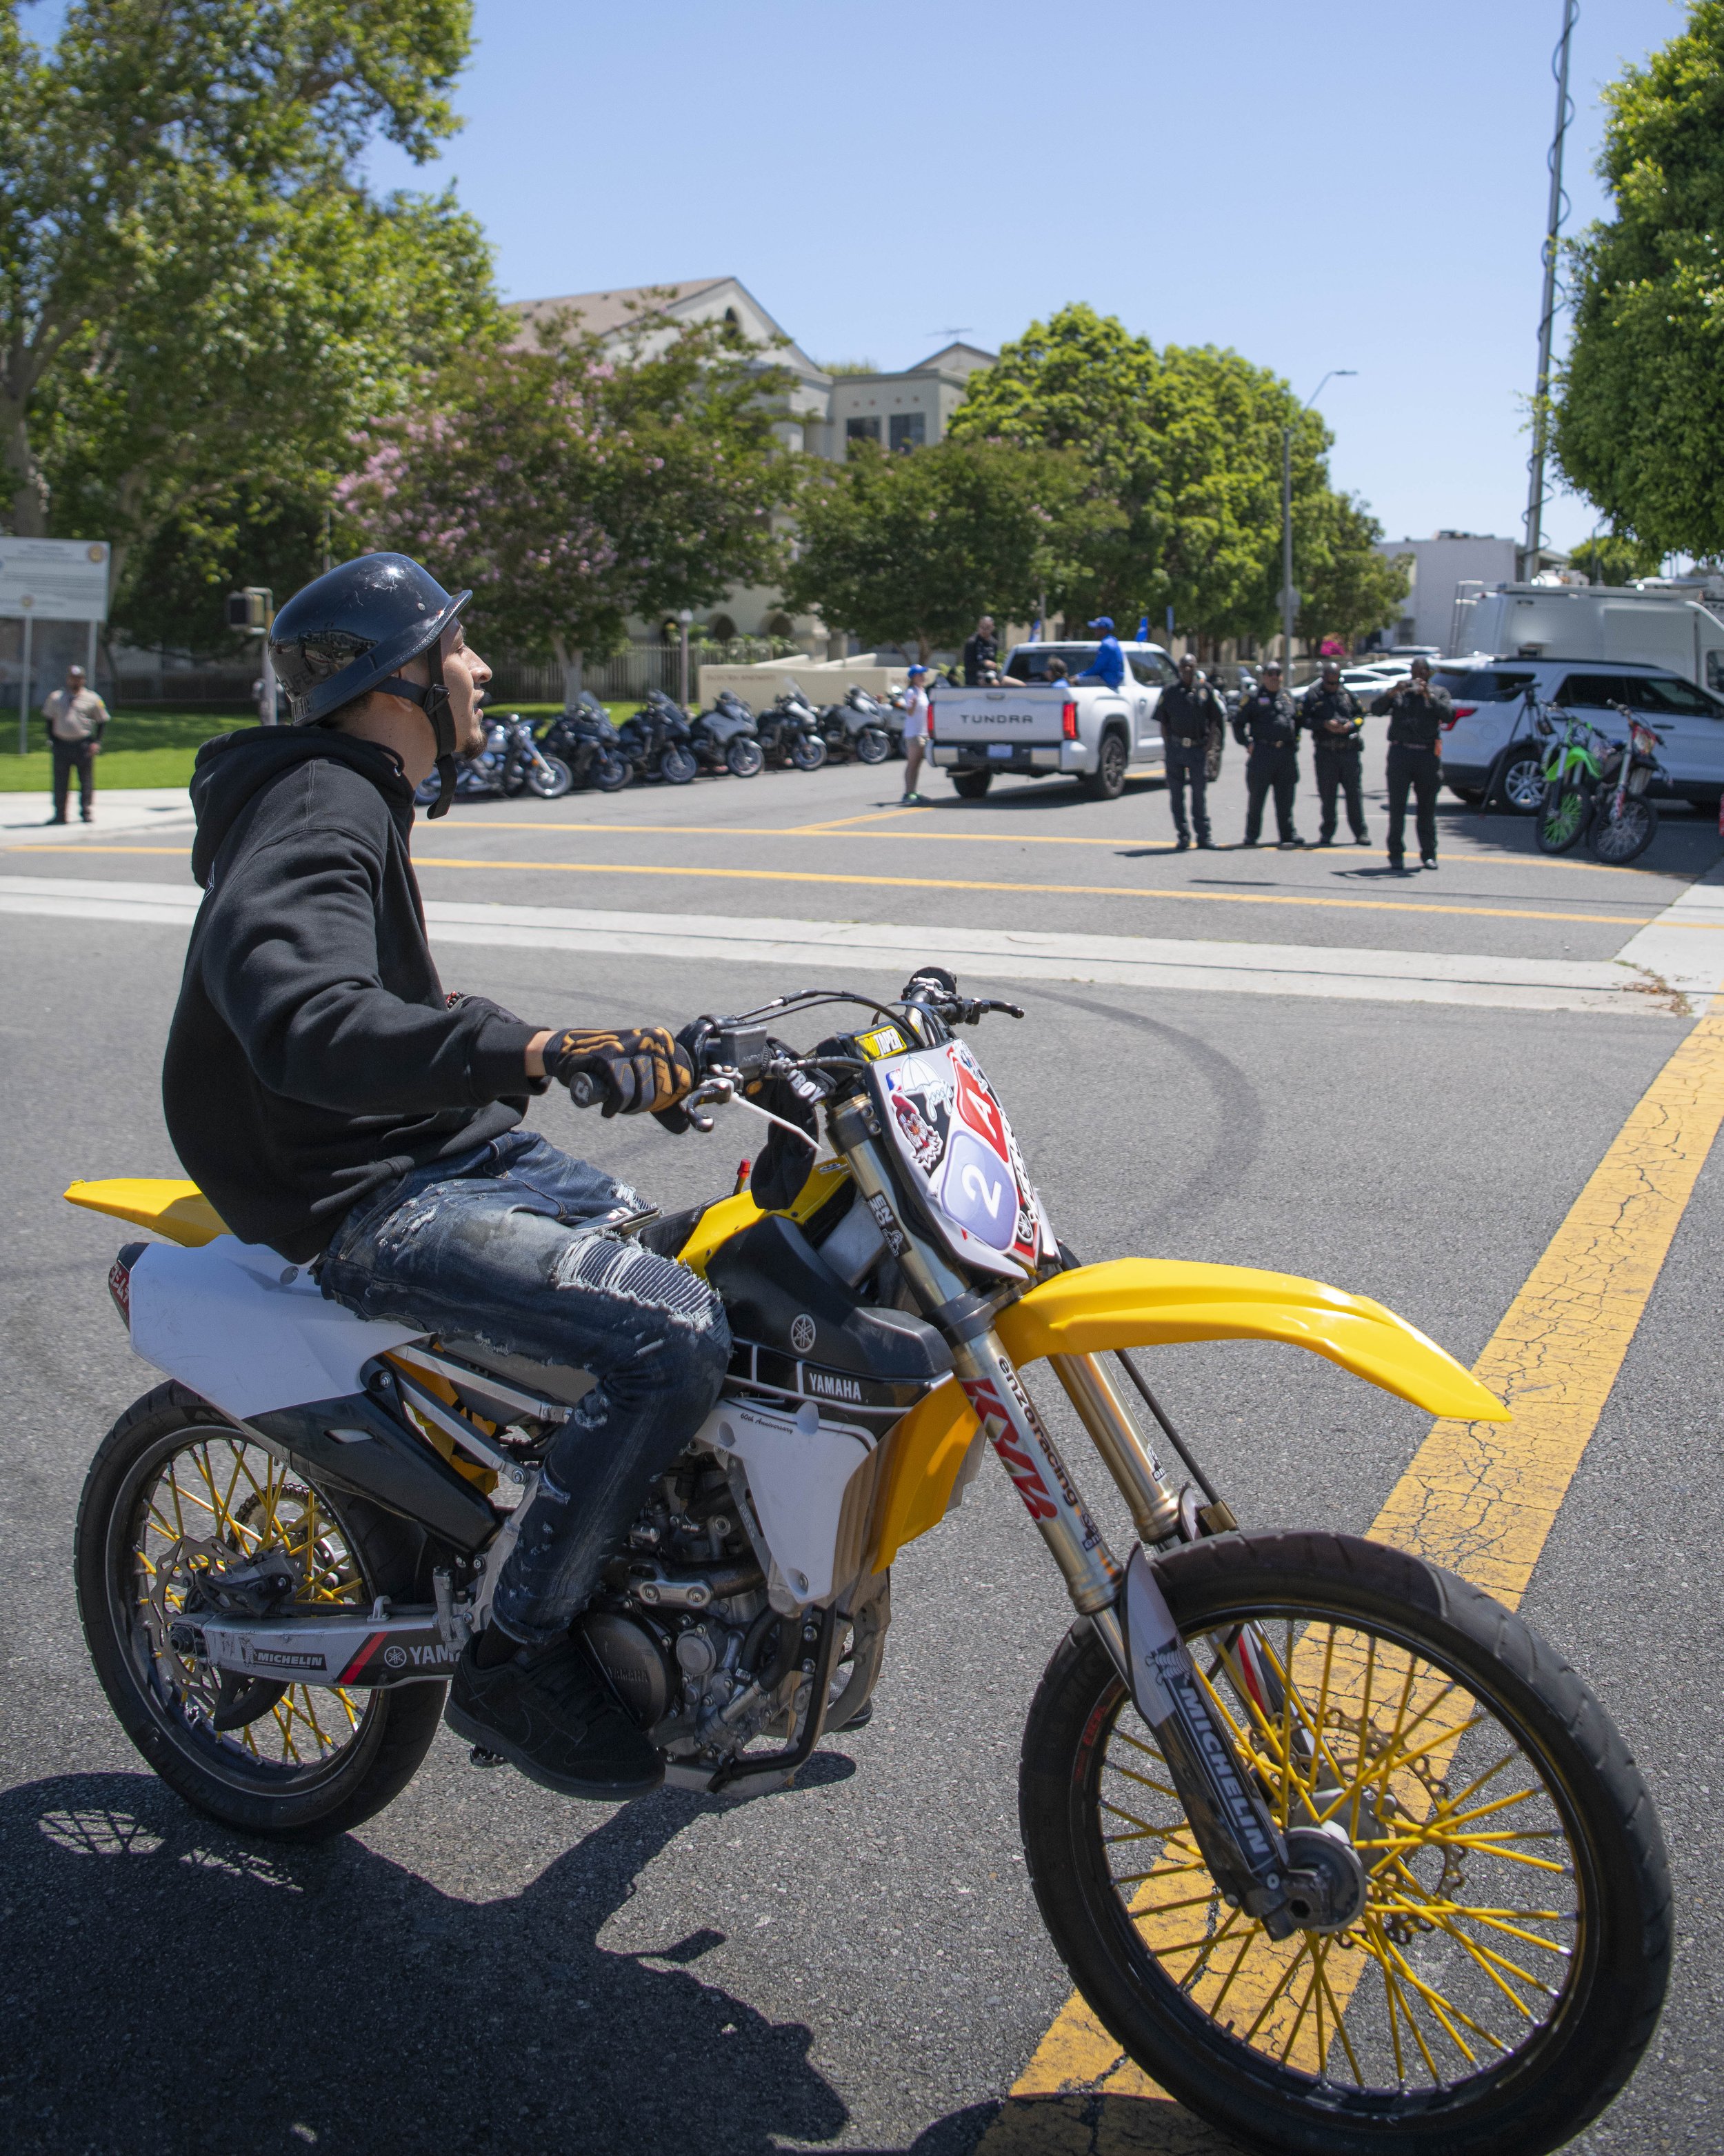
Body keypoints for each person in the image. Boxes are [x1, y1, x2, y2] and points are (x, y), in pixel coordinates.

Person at [161, 552, 738, 1804]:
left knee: (713, 1256)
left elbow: (399, 1006)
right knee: (669, 1333)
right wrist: (529, 1047)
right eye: (459, 650)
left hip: (451, 1150)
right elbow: (304, 1016)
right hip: (363, 1194)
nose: (480, 671)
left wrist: (635, 1056)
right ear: (398, 677)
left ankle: (635, 1561)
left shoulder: (360, 792)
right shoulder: (321, 798)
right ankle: (514, 1645)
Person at [1372, 658, 1452, 870]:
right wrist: (1392, 692)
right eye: (1413, 672)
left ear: (1428, 673)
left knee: (1426, 810)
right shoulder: (1401, 691)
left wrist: (1429, 696)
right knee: (1397, 809)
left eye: (1421, 673)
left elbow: (1448, 715)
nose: (1416, 677)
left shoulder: (1439, 692)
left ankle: (1428, 854)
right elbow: (1376, 709)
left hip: (1427, 757)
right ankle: (1396, 854)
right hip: (1401, 754)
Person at [1232, 659, 1303, 848]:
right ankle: (1252, 835)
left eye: (1277, 674)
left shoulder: (1288, 696)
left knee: (1286, 798)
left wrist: (1295, 742)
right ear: (1263, 677)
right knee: (1257, 798)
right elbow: (1238, 723)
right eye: (1270, 674)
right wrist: (1247, 743)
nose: (1274, 677)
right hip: (1262, 753)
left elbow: (1298, 722)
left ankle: (1288, 833)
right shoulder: (1253, 697)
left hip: (1285, 755)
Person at [1156, 653, 1223, 849]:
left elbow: (1214, 719)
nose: (1187, 670)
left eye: (1191, 666)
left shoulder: (1205, 690)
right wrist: (1168, 746)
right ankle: (1183, 835)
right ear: (1179, 668)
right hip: (1176, 749)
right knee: (1177, 796)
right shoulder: (1170, 691)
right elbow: (1163, 721)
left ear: (1196, 668)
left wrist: (1209, 744)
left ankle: (1204, 836)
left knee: (1199, 795)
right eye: (1184, 666)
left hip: (1197, 749)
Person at [1300, 658, 1370, 846]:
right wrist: (1323, 724)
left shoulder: (1347, 695)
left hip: (1348, 752)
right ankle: (1327, 832)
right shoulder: (1314, 695)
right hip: (1326, 752)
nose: (1333, 685)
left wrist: (1350, 726)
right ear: (1323, 679)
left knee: (1354, 794)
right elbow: (1304, 720)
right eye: (1330, 682)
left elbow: (1361, 716)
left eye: (1336, 681)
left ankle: (1360, 832)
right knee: (1327, 795)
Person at [42, 663, 110, 825]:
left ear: (83, 680)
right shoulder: (56, 698)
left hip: (83, 745)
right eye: (72, 678)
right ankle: (60, 815)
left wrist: (96, 742)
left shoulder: (93, 699)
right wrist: (53, 739)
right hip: (62, 745)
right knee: (60, 782)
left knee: (86, 780)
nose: (75, 681)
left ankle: (85, 812)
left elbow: (102, 721)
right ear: (68, 679)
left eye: (78, 678)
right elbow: (49, 720)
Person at [899, 661, 932, 803]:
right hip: (914, 733)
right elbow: (910, 712)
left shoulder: (922, 691)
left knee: (918, 763)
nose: (923, 676)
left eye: (923, 674)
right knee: (912, 763)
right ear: (913, 677)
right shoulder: (911, 692)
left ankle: (914, 790)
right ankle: (908, 792)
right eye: (920, 674)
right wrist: (912, 704)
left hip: (924, 733)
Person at [1074, 616, 1126, 690]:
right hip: (1114, 679)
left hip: (1108, 680)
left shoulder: (1106, 645)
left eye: (1097, 628)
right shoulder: (1113, 641)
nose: (1095, 631)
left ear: (1104, 630)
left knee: (1076, 681)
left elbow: (1097, 668)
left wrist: (1078, 676)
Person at [962, 615, 999, 685]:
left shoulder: (994, 643)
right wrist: (984, 663)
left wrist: (994, 667)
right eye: (982, 627)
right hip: (975, 676)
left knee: (1015, 684)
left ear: (993, 628)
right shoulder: (972, 642)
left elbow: (994, 663)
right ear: (978, 627)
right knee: (995, 684)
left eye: (987, 628)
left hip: (990, 674)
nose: (984, 630)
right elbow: (968, 665)